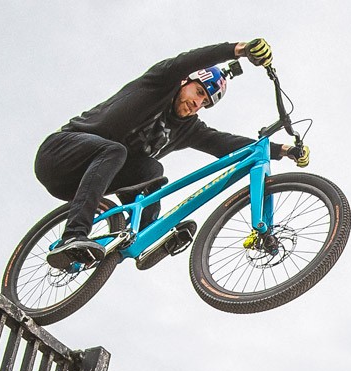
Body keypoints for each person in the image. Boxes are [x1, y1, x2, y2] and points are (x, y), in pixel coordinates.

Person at [34, 38, 278, 271]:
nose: (198, 103)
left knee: (152, 171)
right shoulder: (161, 83)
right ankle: (73, 236)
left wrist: (280, 151)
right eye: (199, 92)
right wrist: (240, 49)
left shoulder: (188, 128)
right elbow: (190, 60)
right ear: (185, 82)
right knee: (115, 150)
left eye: (205, 103)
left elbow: (224, 143)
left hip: (78, 184)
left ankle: (142, 238)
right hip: (58, 154)